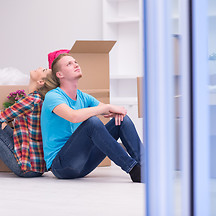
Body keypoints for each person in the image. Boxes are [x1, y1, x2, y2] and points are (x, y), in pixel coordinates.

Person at [41, 52, 144, 182]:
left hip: (84, 163)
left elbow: (109, 110)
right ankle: (133, 169)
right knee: (92, 122)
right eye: (69, 64)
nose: (75, 65)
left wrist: (116, 111)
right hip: (62, 166)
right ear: (59, 75)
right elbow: (74, 117)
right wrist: (106, 107)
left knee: (122, 121)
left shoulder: (83, 96)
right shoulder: (53, 96)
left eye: (75, 62)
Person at [0, 67, 51, 177]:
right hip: (35, 167)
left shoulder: (32, 99)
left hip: (26, 168)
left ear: (40, 82)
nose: (39, 68)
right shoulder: (37, 99)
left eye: (43, 70)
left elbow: (0, 116)